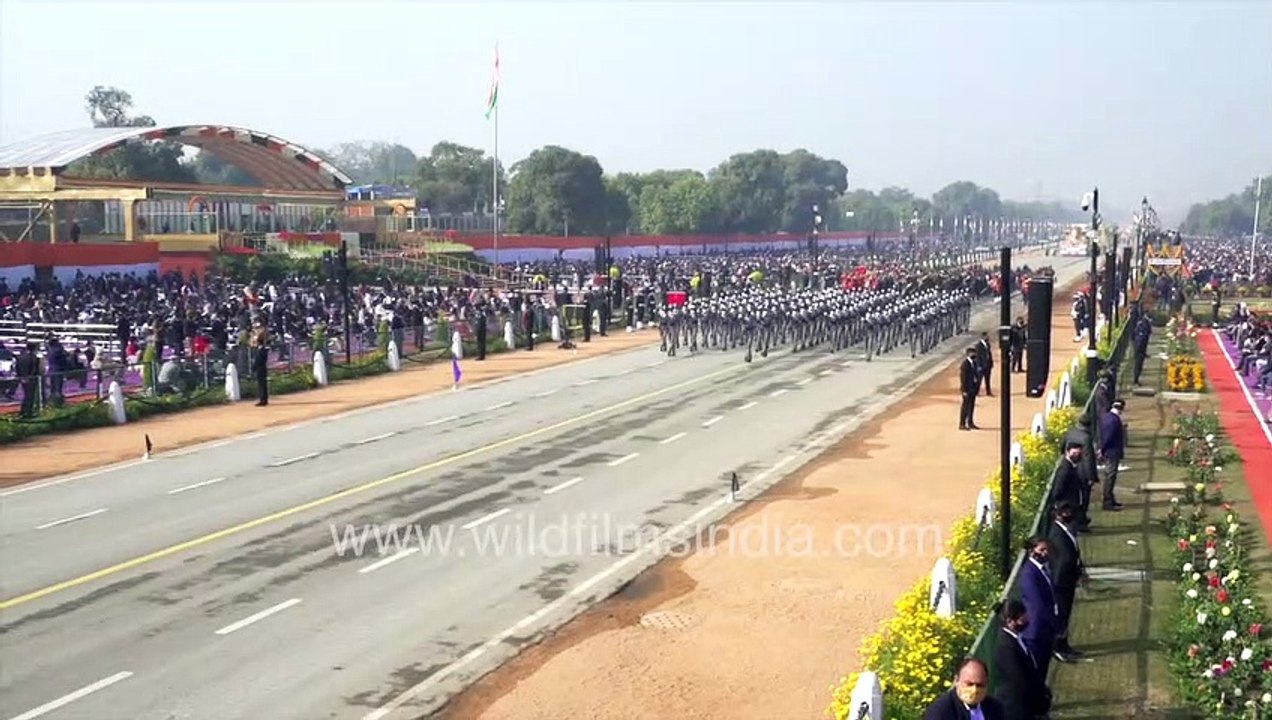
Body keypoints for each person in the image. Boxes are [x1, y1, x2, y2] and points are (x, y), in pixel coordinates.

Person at [993, 598, 1052, 720]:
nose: (1027, 620)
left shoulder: (1015, 638)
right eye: (1022, 619)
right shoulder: (1006, 648)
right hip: (1018, 709)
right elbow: (1018, 681)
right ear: (1010, 622)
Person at [1047, 501, 1085, 663]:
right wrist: (1074, 574)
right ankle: (1058, 647)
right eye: (1066, 511)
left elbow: (1073, 553)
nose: (1069, 514)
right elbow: (1065, 560)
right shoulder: (1056, 533)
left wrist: (1080, 568)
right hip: (1061, 583)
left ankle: (1064, 644)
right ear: (1058, 514)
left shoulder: (1065, 530)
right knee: (1060, 615)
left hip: (1067, 580)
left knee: (1066, 614)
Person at [1018, 537, 1059, 680]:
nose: (1045, 553)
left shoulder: (1042, 569)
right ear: (1031, 551)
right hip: (1036, 631)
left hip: (1044, 629)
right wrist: (1055, 625)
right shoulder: (1029, 574)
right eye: (1041, 550)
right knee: (1038, 673)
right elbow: (1038, 605)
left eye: (1046, 549)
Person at [921, 656, 1006, 720]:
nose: (974, 690)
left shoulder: (994, 707)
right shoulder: (941, 712)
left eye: (980, 685)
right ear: (956, 681)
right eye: (969, 684)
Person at [1098, 398, 1127, 511]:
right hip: (1112, 451)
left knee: (1110, 475)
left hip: (1109, 450)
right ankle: (1107, 501)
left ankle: (1110, 499)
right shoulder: (1114, 420)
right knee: (1110, 476)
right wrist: (1102, 449)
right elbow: (1108, 437)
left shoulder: (1106, 417)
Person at [960, 347, 979, 431]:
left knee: (971, 406)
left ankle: (970, 422)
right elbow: (963, 378)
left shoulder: (974, 363)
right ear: (968, 354)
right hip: (967, 389)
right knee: (965, 407)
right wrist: (964, 390)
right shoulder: (965, 364)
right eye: (972, 353)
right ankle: (962, 423)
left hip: (973, 388)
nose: (974, 355)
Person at [251, 324, 270, 407]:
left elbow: (259, 360)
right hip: (261, 369)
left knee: (262, 385)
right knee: (262, 384)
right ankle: (263, 398)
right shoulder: (262, 349)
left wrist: (254, 367)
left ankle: (263, 399)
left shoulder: (262, 350)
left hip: (261, 369)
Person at [975, 331, 994, 396]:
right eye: (986, 336)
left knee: (987, 379)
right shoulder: (978, 346)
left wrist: (991, 362)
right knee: (979, 380)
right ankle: (976, 392)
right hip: (981, 365)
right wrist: (979, 365)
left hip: (987, 364)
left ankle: (988, 392)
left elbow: (989, 354)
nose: (988, 337)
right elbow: (978, 356)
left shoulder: (988, 344)